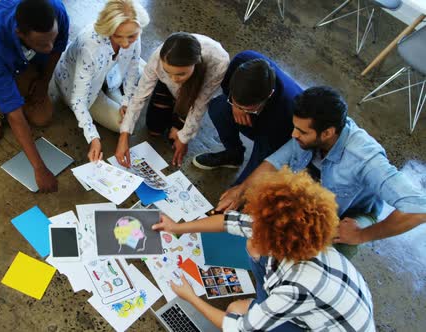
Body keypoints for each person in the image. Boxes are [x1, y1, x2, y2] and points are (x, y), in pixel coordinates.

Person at [153, 168, 376, 331]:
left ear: (278, 244)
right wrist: (177, 227)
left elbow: (238, 328)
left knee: (234, 313)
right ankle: (263, 303)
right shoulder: (291, 233)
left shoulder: (296, 286)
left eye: (260, 230)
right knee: (238, 298)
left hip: (324, 325)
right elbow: (228, 222)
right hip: (321, 310)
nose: (252, 225)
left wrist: (190, 297)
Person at [216, 86, 426, 257]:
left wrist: (362, 235)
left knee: (329, 248)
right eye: (294, 127)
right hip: (313, 194)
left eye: (301, 131)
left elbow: (419, 209)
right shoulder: (308, 131)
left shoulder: (364, 158)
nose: (293, 134)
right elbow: (275, 162)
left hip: (349, 213)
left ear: (327, 133)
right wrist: (241, 189)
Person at [0, 0, 69, 193]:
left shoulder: (56, 11)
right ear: (20, 34)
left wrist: (44, 82)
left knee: (42, 118)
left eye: (52, 37)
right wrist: (39, 169)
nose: (49, 46)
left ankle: (23, 84)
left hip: (23, 61)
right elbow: (15, 115)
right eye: (42, 43)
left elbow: (57, 48)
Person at [53, 0, 149, 162]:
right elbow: (78, 100)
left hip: (107, 71)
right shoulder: (90, 47)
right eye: (118, 36)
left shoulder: (133, 30)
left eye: (132, 36)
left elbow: (132, 71)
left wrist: (126, 102)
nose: (126, 43)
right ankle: (110, 91)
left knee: (130, 115)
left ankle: (112, 89)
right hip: (79, 86)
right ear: (109, 29)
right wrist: (93, 138)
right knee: (123, 124)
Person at [115, 32, 230, 167]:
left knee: (175, 139)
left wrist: (184, 138)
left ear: (195, 63)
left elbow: (200, 104)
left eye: (181, 74)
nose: (174, 79)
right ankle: (173, 108)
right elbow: (140, 94)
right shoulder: (158, 57)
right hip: (166, 87)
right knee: (154, 129)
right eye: (167, 71)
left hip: (193, 94)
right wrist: (124, 135)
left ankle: (178, 117)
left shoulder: (219, 62)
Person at [192, 51, 302, 185]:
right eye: (237, 102)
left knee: (248, 182)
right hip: (255, 114)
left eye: (248, 108)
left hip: (280, 134)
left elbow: (262, 161)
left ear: (269, 95)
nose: (242, 109)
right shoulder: (240, 62)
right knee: (218, 108)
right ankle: (233, 155)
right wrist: (236, 106)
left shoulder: (288, 110)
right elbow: (226, 90)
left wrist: (238, 189)